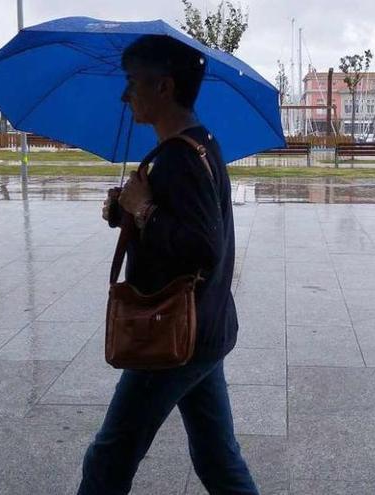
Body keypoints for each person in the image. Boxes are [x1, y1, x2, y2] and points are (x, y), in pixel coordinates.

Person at [76, 35, 258, 495]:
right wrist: (129, 210)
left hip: (172, 329)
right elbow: (184, 227)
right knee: (218, 459)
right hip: (202, 326)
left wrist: (144, 212)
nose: (125, 94)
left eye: (132, 82)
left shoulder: (180, 158)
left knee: (109, 457)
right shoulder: (199, 144)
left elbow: (203, 247)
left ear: (164, 87)